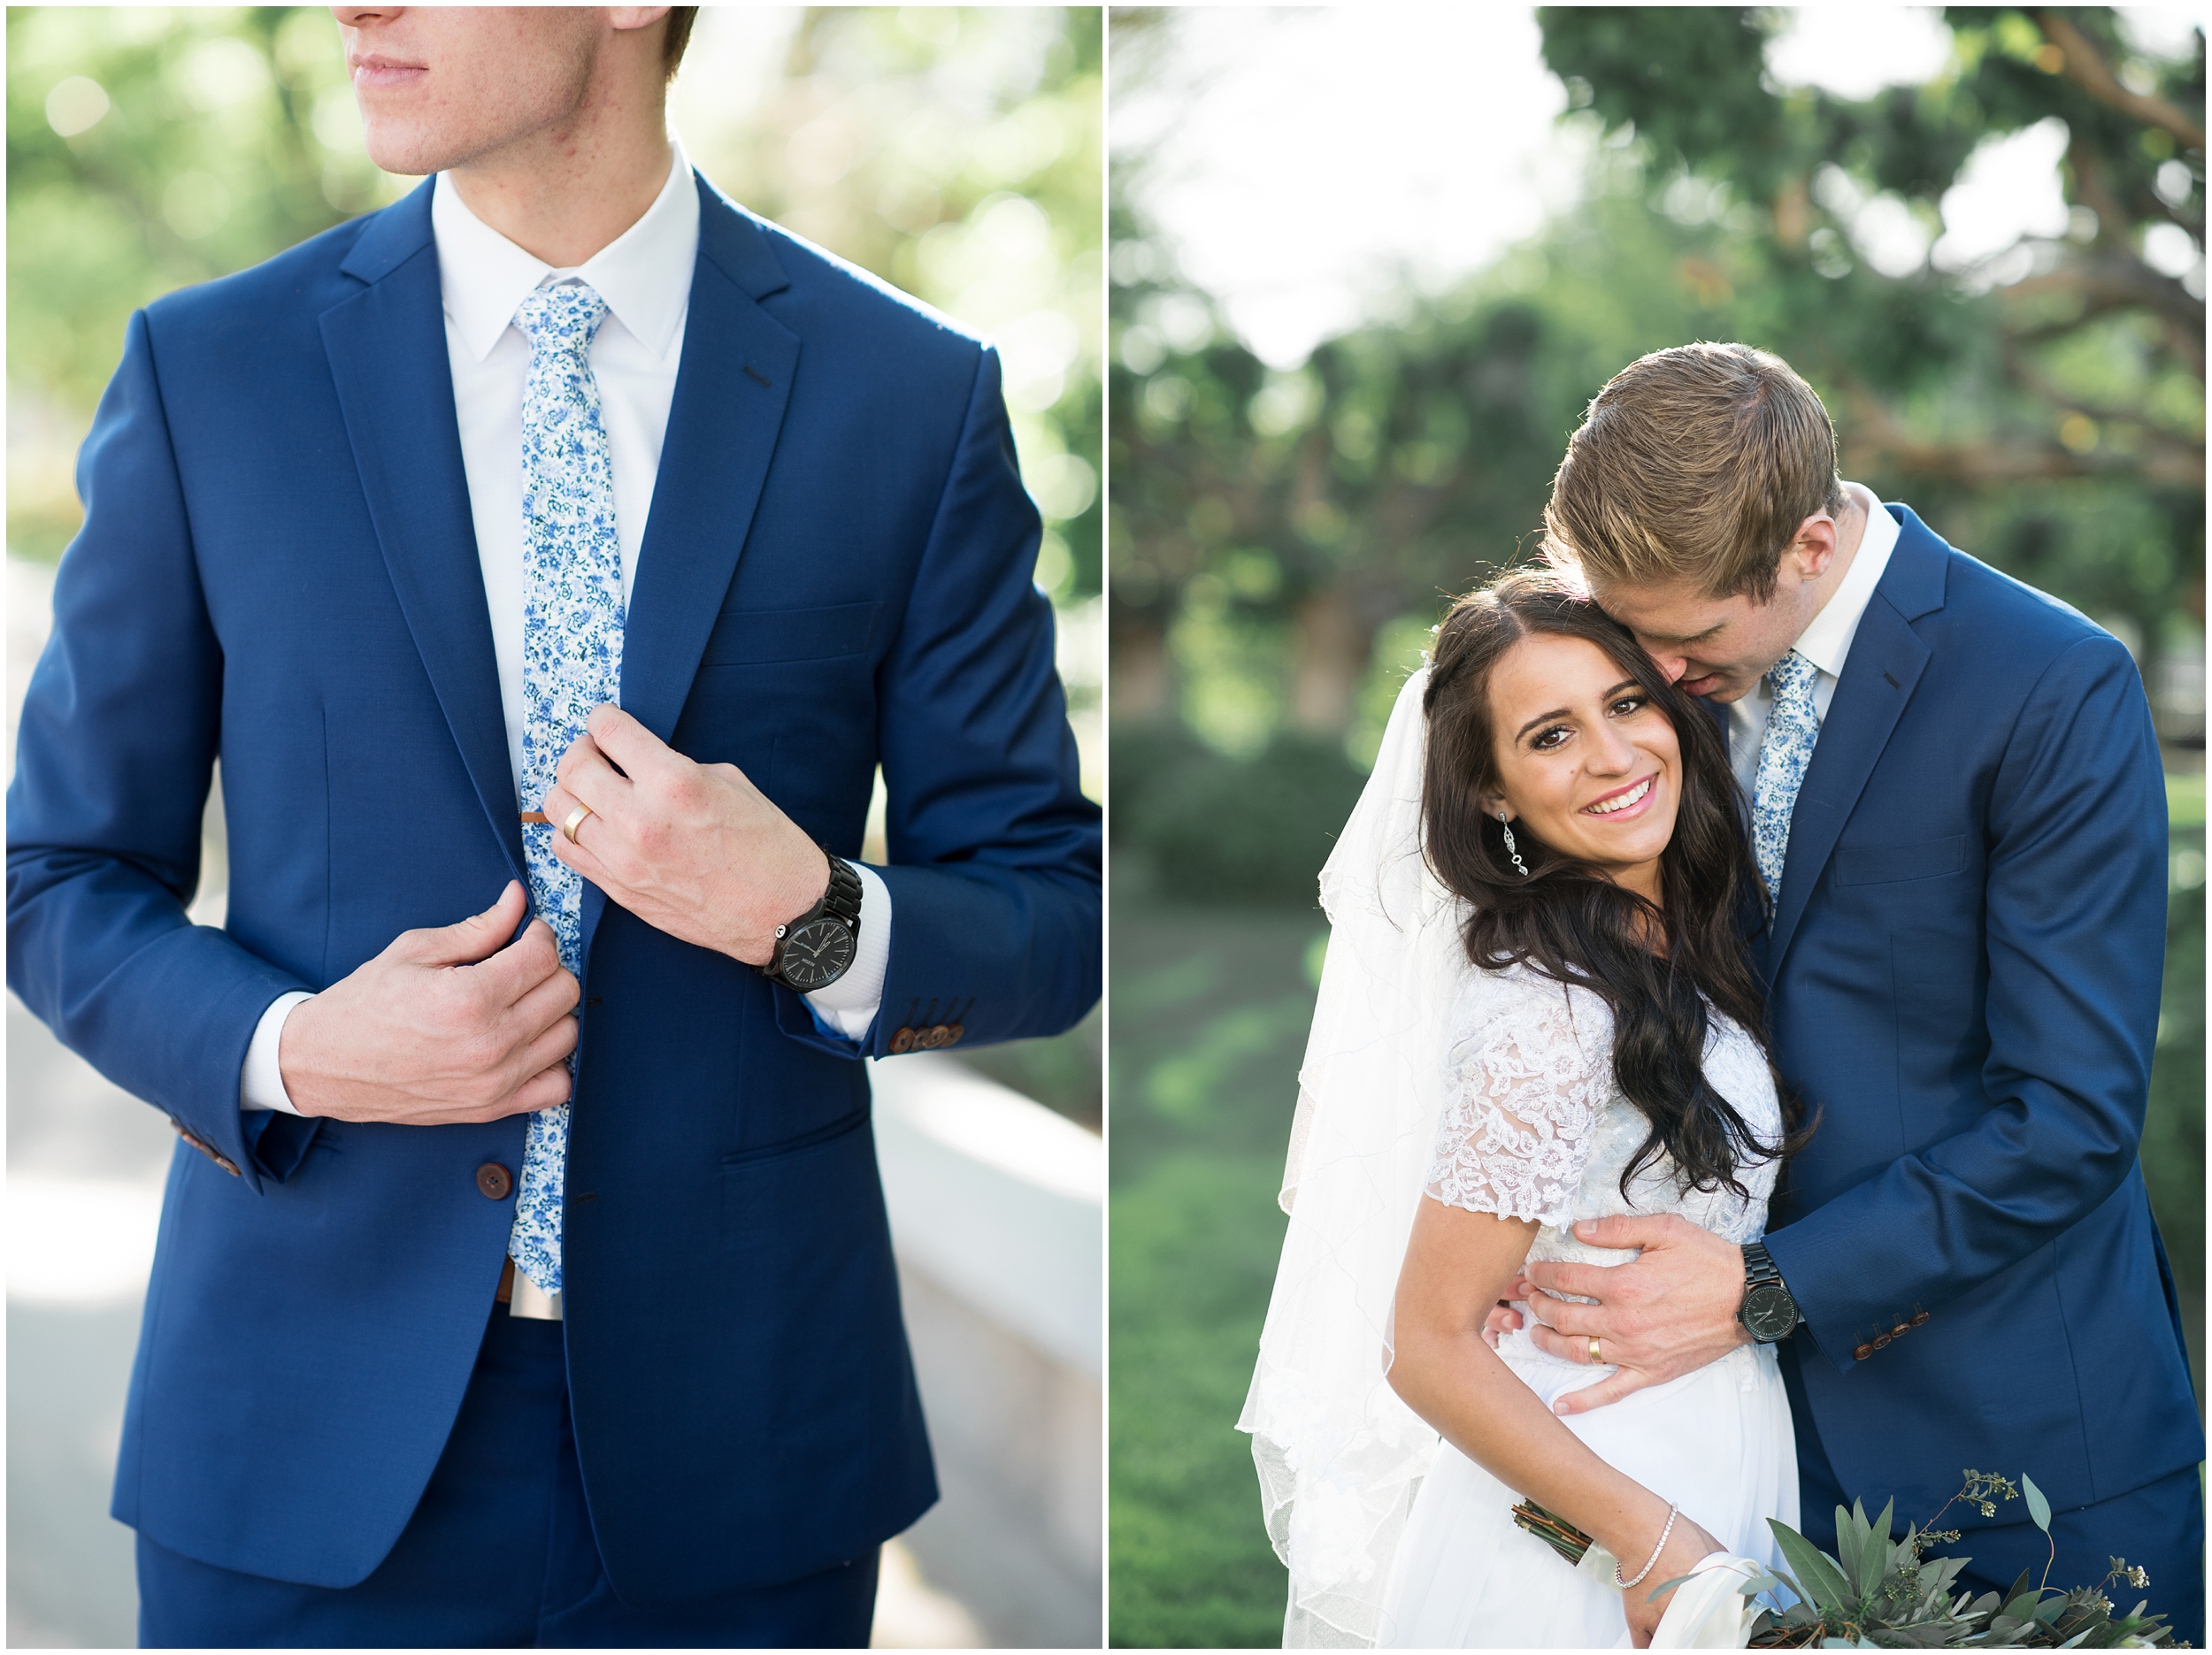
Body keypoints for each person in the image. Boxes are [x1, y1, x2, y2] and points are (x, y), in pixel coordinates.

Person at [6, 6, 1100, 1647]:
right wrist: (299, 1050)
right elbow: (58, 880)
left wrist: (809, 915)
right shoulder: (211, 371)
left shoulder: (909, 399)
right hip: (299, 1436)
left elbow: (1052, 912)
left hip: (744, 1456)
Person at [1492, 343, 2201, 1641]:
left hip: (2020, 1442)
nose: (1650, 668)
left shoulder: (2050, 685)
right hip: (1736, 1447)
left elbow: (2071, 1114)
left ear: (1809, 545)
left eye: (1689, 635)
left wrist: (1769, 1284)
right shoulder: (1660, 676)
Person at [1240, 570, 1805, 1648]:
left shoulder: (1676, 940)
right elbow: (1428, 1342)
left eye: (1625, 702)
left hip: (1711, 1437)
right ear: (1493, 791)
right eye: (1550, 735)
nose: (1611, 753)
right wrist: (1649, 1546)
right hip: (1603, 1505)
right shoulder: (1547, 1009)